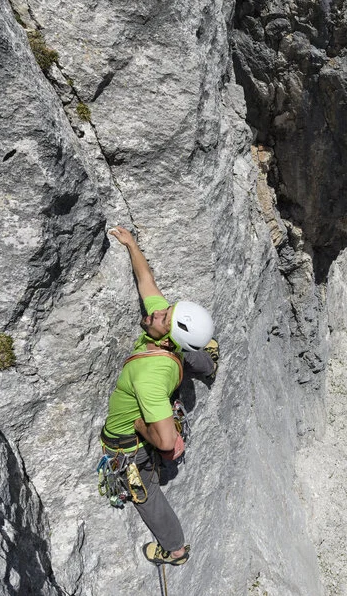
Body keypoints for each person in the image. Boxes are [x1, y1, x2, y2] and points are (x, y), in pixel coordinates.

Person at [101, 225, 218, 567]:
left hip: (126, 442)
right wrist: (131, 244)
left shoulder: (149, 376)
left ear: (167, 337)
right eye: (163, 311)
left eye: (162, 317)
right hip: (173, 364)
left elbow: (166, 442)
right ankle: (208, 362)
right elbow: (147, 283)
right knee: (190, 357)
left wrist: (139, 424)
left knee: (143, 492)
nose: (156, 312)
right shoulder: (167, 338)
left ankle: (176, 549)